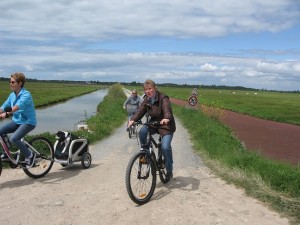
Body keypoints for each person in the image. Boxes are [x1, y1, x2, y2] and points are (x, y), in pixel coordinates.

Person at [127, 79, 176, 182]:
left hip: (166, 125)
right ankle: (146, 154)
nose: (148, 91)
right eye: (146, 89)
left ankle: (169, 169)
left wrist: (166, 118)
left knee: (165, 147)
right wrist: (132, 120)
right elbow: (140, 110)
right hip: (153, 124)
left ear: (155, 88)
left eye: (150, 89)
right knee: (142, 131)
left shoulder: (163, 98)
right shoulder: (146, 99)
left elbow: (167, 109)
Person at [0, 72, 37, 168]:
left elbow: (17, 107)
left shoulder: (26, 95)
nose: (10, 84)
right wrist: (2, 111)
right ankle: (7, 153)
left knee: (13, 138)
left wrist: (7, 113)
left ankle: (30, 155)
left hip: (28, 122)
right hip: (17, 121)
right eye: (9, 82)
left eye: (13, 82)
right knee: (0, 131)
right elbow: (4, 107)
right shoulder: (12, 95)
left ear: (20, 83)